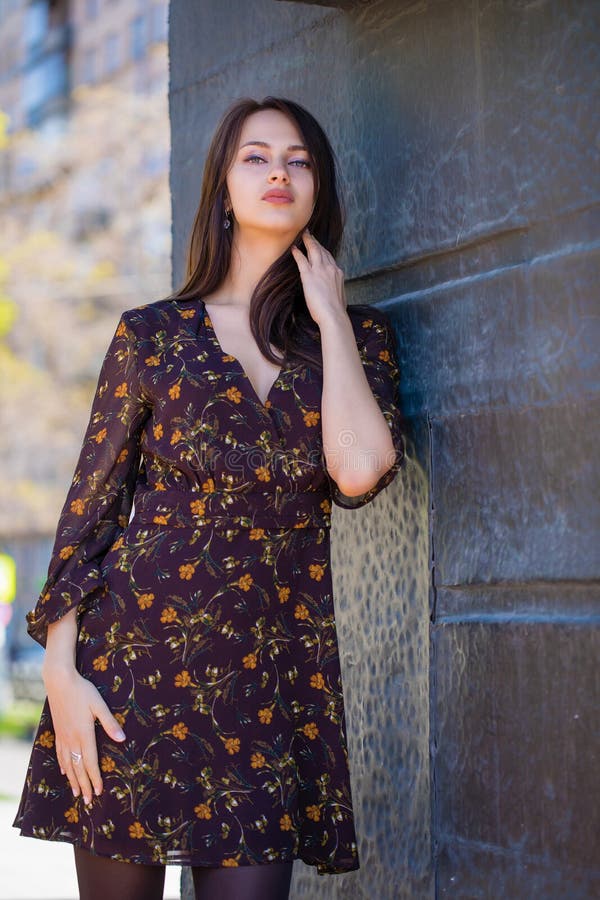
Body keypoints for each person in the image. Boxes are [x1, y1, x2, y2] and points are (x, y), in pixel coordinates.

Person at [13, 96, 405, 900]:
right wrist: (61, 674)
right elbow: (87, 516)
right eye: (255, 157)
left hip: (267, 685)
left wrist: (329, 315)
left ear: (318, 189)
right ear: (222, 188)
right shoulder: (151, 336)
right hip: (129, 677)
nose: (279, 173)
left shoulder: (358, 340)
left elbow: (359, 470)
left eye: (298, 160)